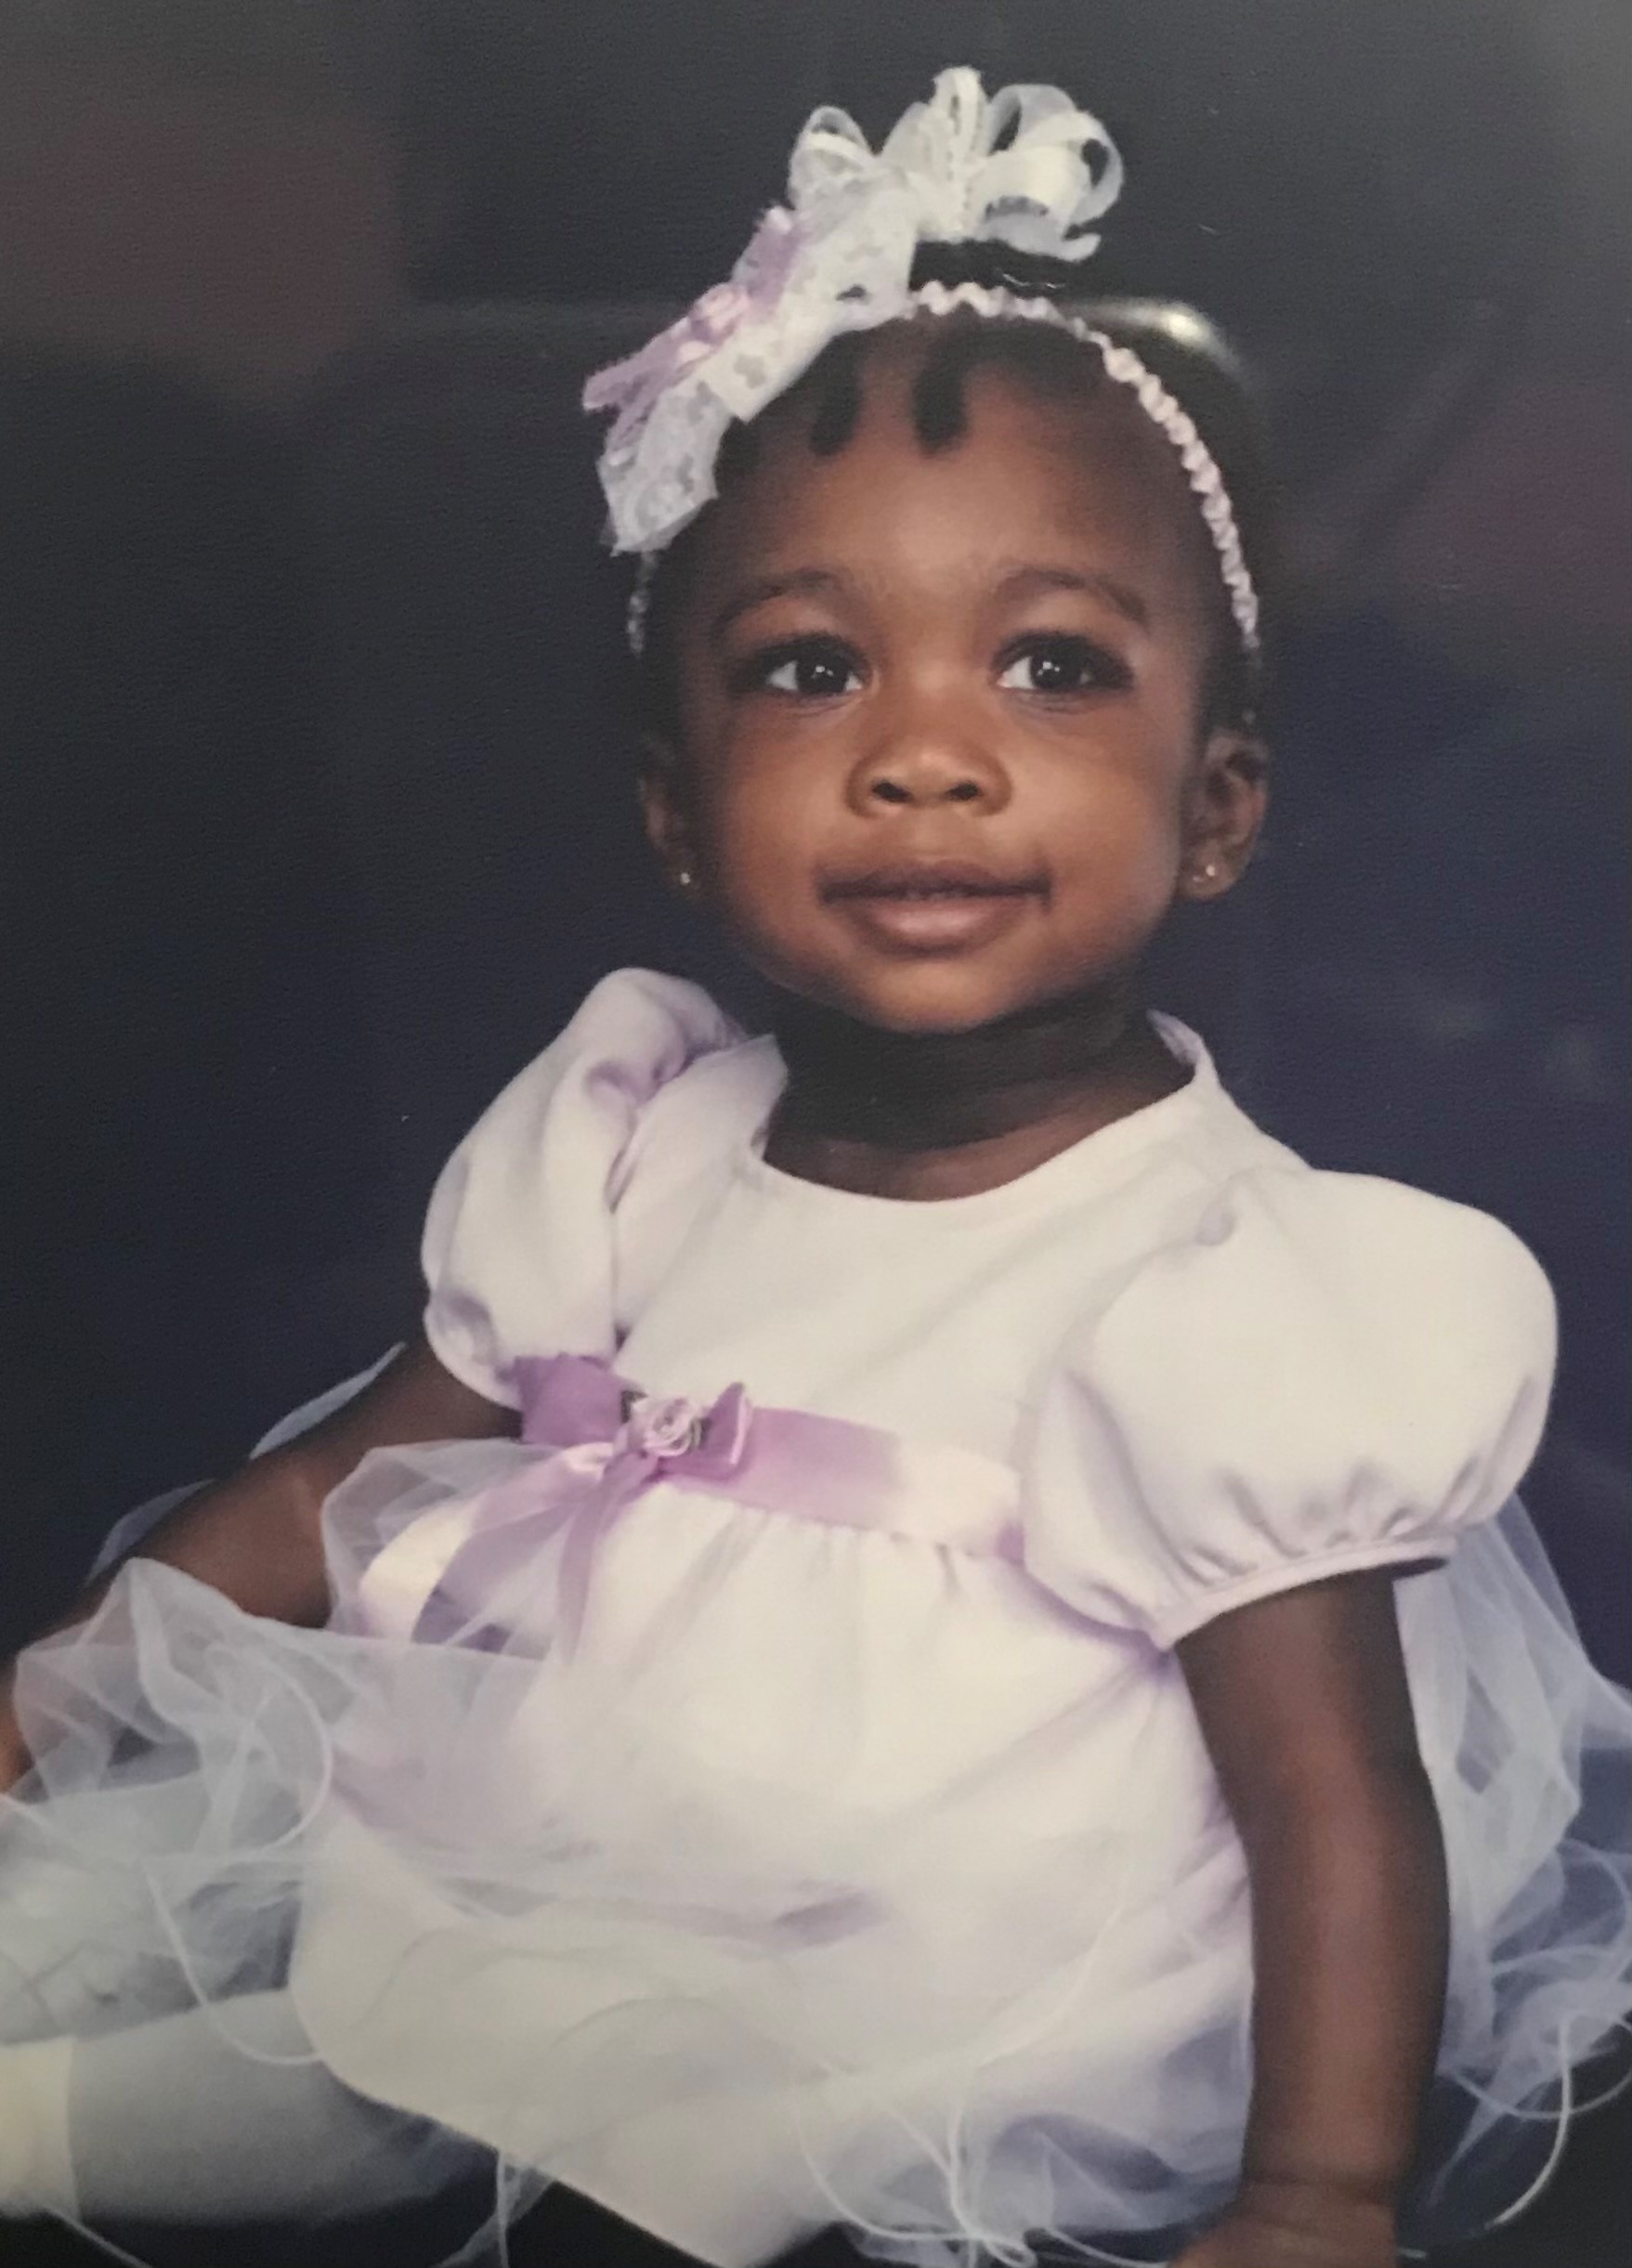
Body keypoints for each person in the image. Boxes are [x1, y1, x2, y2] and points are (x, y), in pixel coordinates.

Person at [1, 69, 1627, 2268]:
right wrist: (57, 1696)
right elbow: (327, 1492)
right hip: (566, 1845)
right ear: (679, 814)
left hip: (946, 1972)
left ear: (1219, 806)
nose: (926, 754)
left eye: (1050, 666)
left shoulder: (1229, 1282)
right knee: (321, 2017)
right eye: (810, 668)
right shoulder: (634, 1139)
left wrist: (1317, 2194)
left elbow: (1328, 1799)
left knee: (579, 2130)